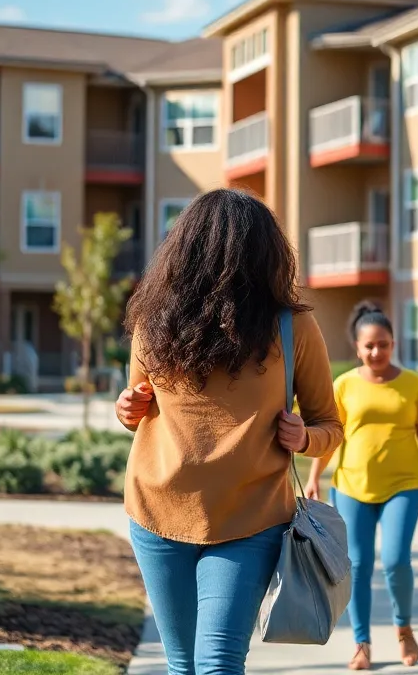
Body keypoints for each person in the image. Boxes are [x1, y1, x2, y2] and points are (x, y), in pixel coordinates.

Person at [112, 188, 343, 675]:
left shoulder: (291, 329)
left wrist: (305, 438)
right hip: (157, 511)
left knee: (216, 663)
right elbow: (136, 409)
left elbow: (329, 425)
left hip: (250, 519)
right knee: (182, 664)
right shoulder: (154, 323)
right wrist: (125, 406)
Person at [306, 301, 418, 671]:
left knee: (397, 561)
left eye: (383, 344)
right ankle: (362, 643)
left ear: (393, 344)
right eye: (369, 346)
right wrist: (313, 477)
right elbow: (331, 435)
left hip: (405, 484)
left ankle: (404, 629)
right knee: (359, 564)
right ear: (357, 347)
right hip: (351, 484)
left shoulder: (413, 385)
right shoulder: (345, 385)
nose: (376, 352)